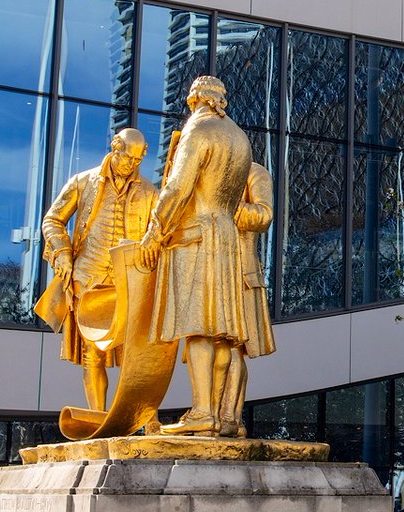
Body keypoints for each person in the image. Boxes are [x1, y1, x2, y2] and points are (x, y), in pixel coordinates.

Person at [140, 76, 253, 436]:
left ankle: (203, 410)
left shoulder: (198, 130)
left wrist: (154, 231)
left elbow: (177, 188)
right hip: (227, 237)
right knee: (223, 333)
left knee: (198, 326)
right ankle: (218, 414)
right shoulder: (240, 137)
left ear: (195, 101)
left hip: (196, 235)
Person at [35, 128, 156, 411]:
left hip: (128, 283)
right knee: (92, 356)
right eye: (127, 157)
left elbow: (159, 233)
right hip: (88, 279)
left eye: (138, 160)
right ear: (115, 148)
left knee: (136, 357)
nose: (131, 165)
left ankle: (141, 417)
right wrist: (62, 253)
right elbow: (52, 220)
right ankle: (97, 416)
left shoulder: (150, 192)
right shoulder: (83, 181)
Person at [216, 162, 276, 438]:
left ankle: (229, 415)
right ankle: (211, 413)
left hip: (241, 272)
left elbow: (263, 216)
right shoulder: (208, 170)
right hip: (210, 271)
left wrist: (225, 203)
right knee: (211, 346)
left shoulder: (253, 172)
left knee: (233, 346)